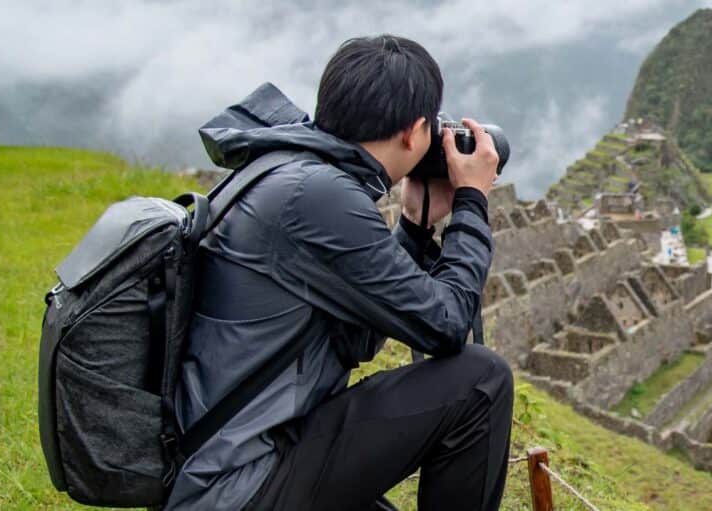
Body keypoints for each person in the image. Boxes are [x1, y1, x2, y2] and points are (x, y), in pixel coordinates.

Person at [171, 35, 510, 510]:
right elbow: (448, 325)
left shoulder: (291, 172)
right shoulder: (318, 196)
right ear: (415, 132)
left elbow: (353, 341)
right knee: (481, 380)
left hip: (234, 463)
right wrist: (472, 202)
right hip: (238, 484)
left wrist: (413, 227)